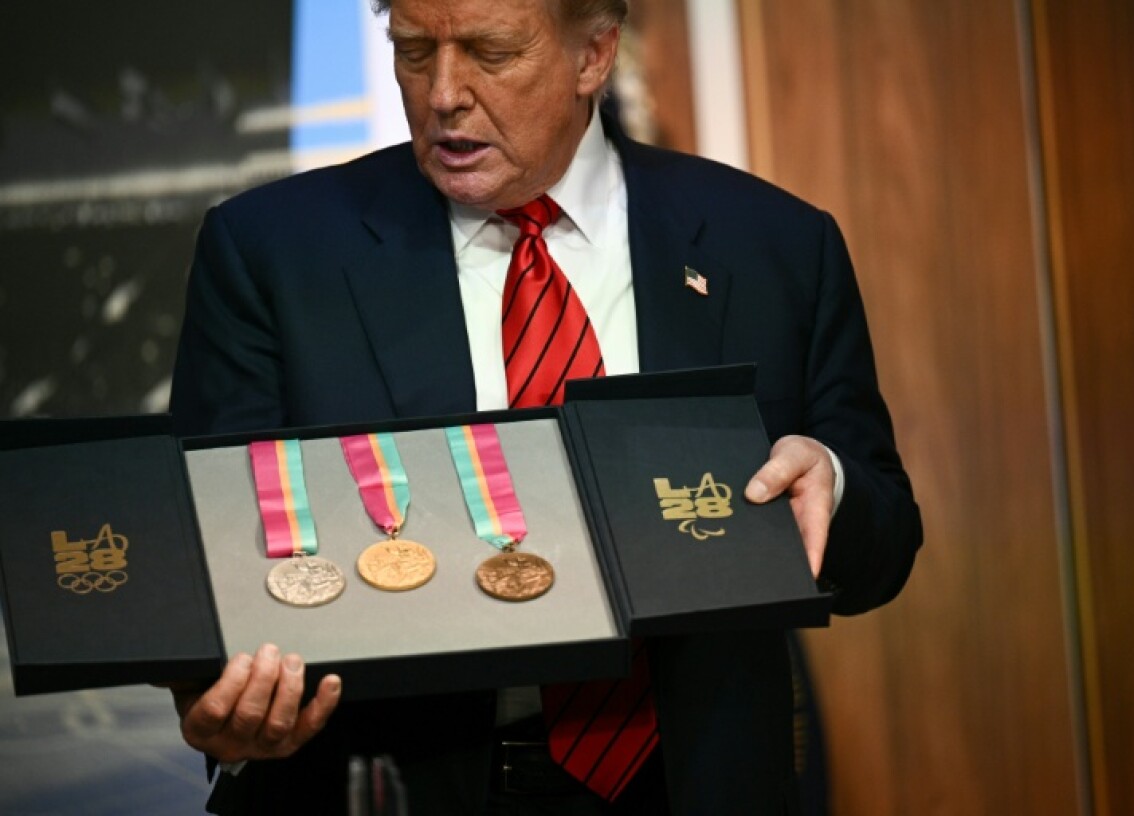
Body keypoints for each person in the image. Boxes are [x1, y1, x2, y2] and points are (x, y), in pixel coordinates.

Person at [168, 0, 922, 813]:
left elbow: (882, 545)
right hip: (401, 784)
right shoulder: (274, 254)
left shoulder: (771, 243)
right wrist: (222, 703)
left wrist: (832, 487)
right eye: (415, 51)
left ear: (594, 55)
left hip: (691, 784)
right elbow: (206, 561)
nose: (444, 93)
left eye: (492, 53)